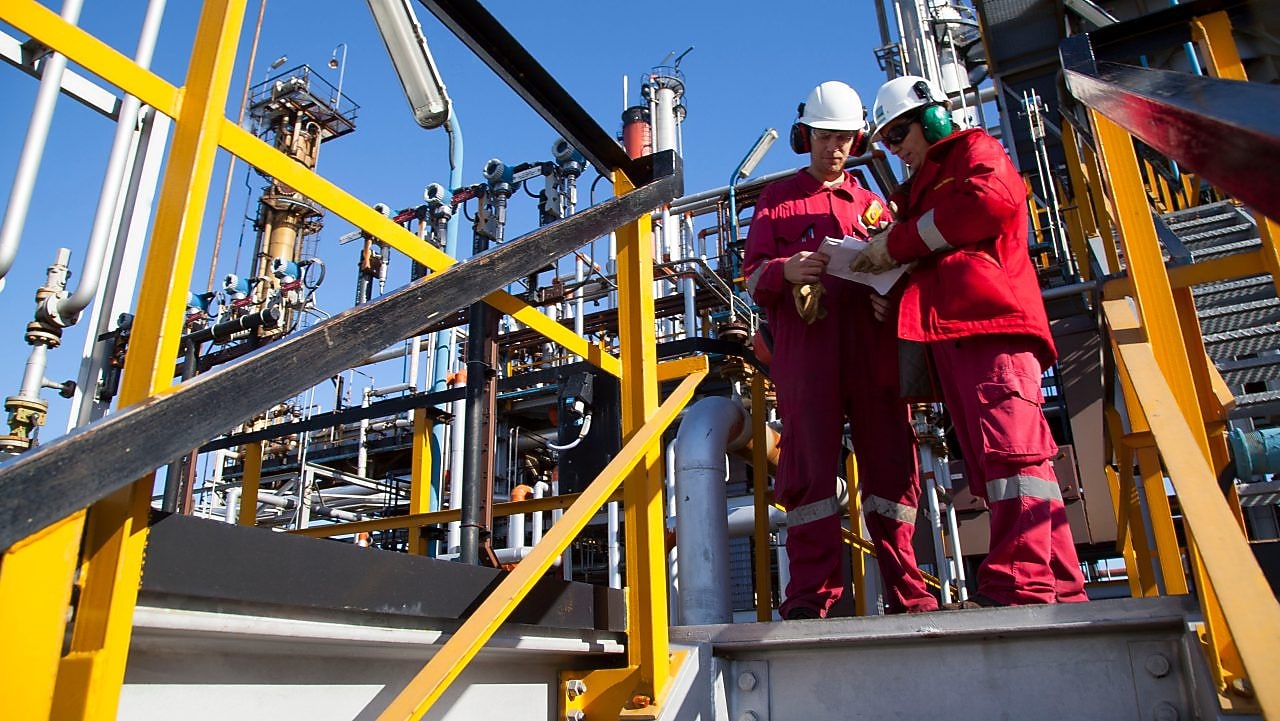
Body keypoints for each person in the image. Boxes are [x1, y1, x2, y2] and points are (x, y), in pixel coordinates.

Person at [852, 75, 1088, 606]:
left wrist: (901, 243)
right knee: (1000, 466)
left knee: (1012, 458)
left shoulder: (975, 150)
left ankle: (1018, 584)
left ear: (933, 117)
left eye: (899, 133)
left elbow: (990, 203)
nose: (897, 148)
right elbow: (932, 256)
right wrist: (893, 287)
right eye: (888, 141)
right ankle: (1060, 583)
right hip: (953, 337)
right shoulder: (919, 187)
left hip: (991, 328)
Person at [744, 80, 939, 618]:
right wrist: (784, 271)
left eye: (846, 140)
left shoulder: (873, 204)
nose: (835, 149)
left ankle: (910, 593)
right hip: (808, 357)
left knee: (892, 469)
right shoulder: (776, 201)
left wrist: (892, 296)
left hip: (872, 352)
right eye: (826, 138)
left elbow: (902, 265)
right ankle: (810, 599)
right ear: (805, 136)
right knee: (808, 471)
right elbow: (751, 275)